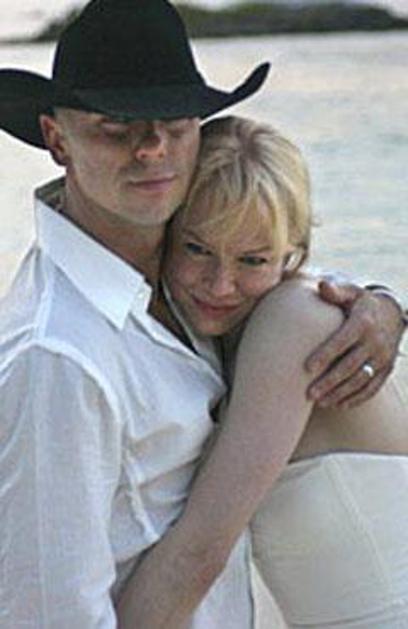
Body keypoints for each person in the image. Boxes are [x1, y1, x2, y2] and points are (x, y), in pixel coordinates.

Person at [0, 1, 405, 627]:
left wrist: (382, 305)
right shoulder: (59, 358)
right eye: (116, 126)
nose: (151, 148)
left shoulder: (185, 284)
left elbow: (278, 273)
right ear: (58, 140)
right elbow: (51, 614)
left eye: (174, 121)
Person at [117, 116, 408, 628]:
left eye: (252, 260)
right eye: (197, 248)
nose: (220, 284)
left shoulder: (295, 320)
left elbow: (197, 554)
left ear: (292, 254)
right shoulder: (216, 340)